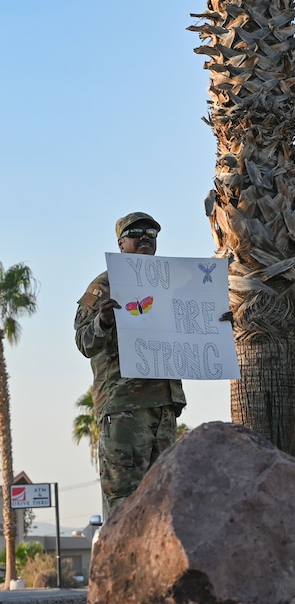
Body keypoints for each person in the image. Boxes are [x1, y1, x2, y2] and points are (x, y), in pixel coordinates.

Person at [75, 213, 185, 519]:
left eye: (151, 232)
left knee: (163, 497)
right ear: (121, 243)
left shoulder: (171, 284)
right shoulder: (104, 284)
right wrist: (103, 321)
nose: (146, 237)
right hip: (124, 407)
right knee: (125, 498)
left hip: (163, 405)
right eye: (136, 232)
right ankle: (123, 564)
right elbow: (83, 342)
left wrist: (215, 323)